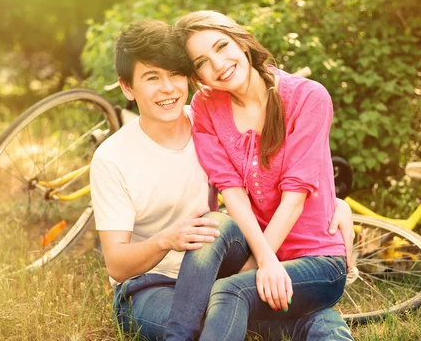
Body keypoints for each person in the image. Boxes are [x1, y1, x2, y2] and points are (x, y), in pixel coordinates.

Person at [90, 19, 354, 341]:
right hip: (152, 285)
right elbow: (116, 265)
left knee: (215, 235)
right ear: (128, 88)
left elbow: (288, 178)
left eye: (174, 74)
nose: (168, 88)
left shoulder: (205, 116)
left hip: (216, 269)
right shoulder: (113, 158)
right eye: (152, 78)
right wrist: (166, 240)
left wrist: (336, 203)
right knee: (226, 310)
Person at [165, 10, 350, 340]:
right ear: (197, 76)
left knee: (230, 292)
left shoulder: (308, 96)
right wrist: (263, 260)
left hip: (318, 260)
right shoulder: (206, 105)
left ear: (242, 41)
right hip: (260, 246)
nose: (218, 64)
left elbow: (296, 197)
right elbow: (230, 190)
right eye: (203, 62)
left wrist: (260, 266)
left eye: (222, 46)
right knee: (214, 225)